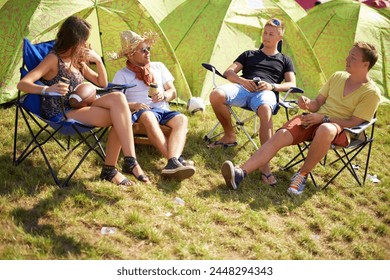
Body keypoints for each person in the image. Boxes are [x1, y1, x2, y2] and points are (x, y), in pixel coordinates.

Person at [221, 41, 381, 195]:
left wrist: (323, 119)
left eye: (353, 58)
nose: (347, 59)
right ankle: (240, 173)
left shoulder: (371, 93)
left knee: (325, 129)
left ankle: (302, 175)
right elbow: (318, 102)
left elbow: (354, 123)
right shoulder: (337, 76)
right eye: (349, 55)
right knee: (280, 136)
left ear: (365, 65)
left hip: (340, 130)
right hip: (313, 119)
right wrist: (307, 104)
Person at [17, 16, 149, 186]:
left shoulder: (76, 60)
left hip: (84, 104)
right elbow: (23, 84)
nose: (86, 45)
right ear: (75, 40)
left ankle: (129, 160)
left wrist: (98, 61)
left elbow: (101, 83)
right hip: (62, 112)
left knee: (119, 98)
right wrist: (47, 89)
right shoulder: (53, 60)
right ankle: (113, 168)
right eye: (84, 41)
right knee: (120, 116)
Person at [208, 18, 296, 186]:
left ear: (280, 37)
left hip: (266, 92)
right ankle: (229, 135)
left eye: (271, 34)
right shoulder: (249, 54)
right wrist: (243, 81)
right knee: (216, 94)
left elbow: (292, 84)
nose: (267, 37)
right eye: (265, 33)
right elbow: (229, 72)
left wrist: (272, 86)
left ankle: (265, 166)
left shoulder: (285, 60)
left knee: (265, 109)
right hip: (243, 88)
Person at [112, 30, 195, 180]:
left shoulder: (158, 67)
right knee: (149, 115)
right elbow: (116, 101)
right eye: (143, 50)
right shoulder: (122, 74)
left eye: (148, 49)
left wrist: (165, 95)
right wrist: (135, 105)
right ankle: (174, 161)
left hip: (163, 109)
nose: (147, 53)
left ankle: (172, 161)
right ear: (130, 54)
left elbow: (173, 92)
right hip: (143, 111)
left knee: (182, 119)